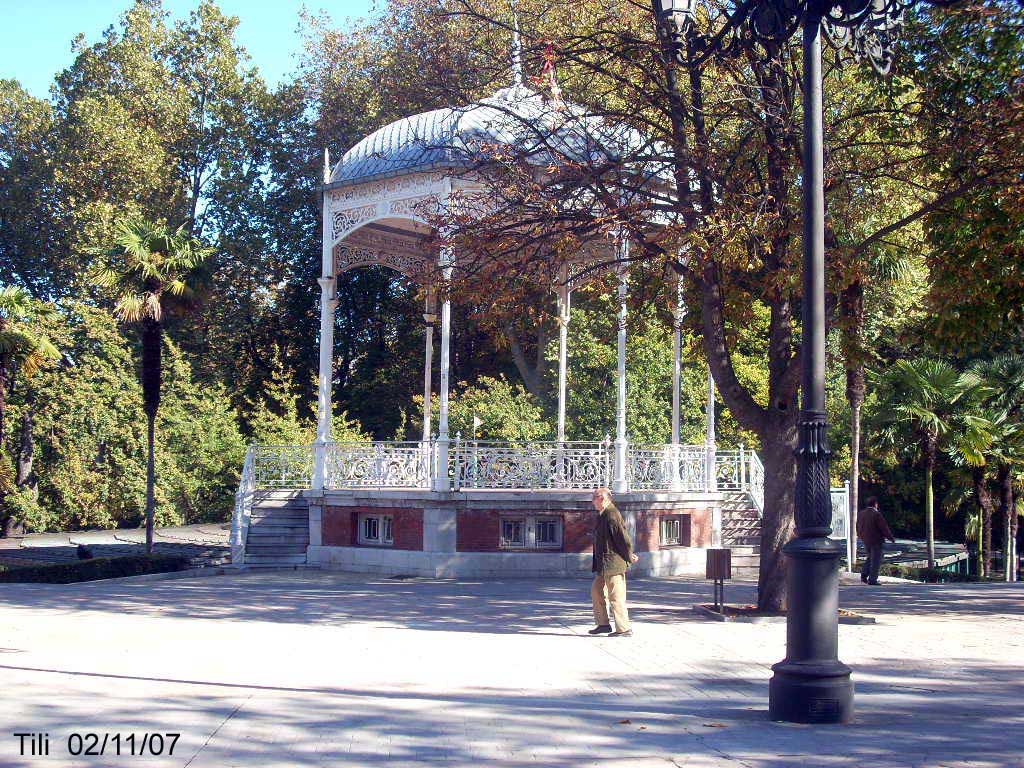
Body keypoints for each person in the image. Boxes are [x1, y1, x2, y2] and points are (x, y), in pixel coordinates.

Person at [588, 487, 639, 637]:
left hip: (613, 564)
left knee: (616, 596)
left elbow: (622, 538)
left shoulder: (612, 514)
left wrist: (629, 555)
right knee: (596, 592)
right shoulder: (603, 514)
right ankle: (603, 624)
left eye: (594, 498)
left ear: (602, 498)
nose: (592, 502)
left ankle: (624, 629)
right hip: (604, 564)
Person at [857, 495, 895, 585]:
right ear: (875, 504)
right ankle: (872, 579)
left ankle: (864, 573)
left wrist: (861, 536)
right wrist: (891, 538)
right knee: (876, 560)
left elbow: (857, 526)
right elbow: (883, 528)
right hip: (876, 540)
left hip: (866, 539)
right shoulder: (876, 514)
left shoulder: (861, 513)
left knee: (870, 557)